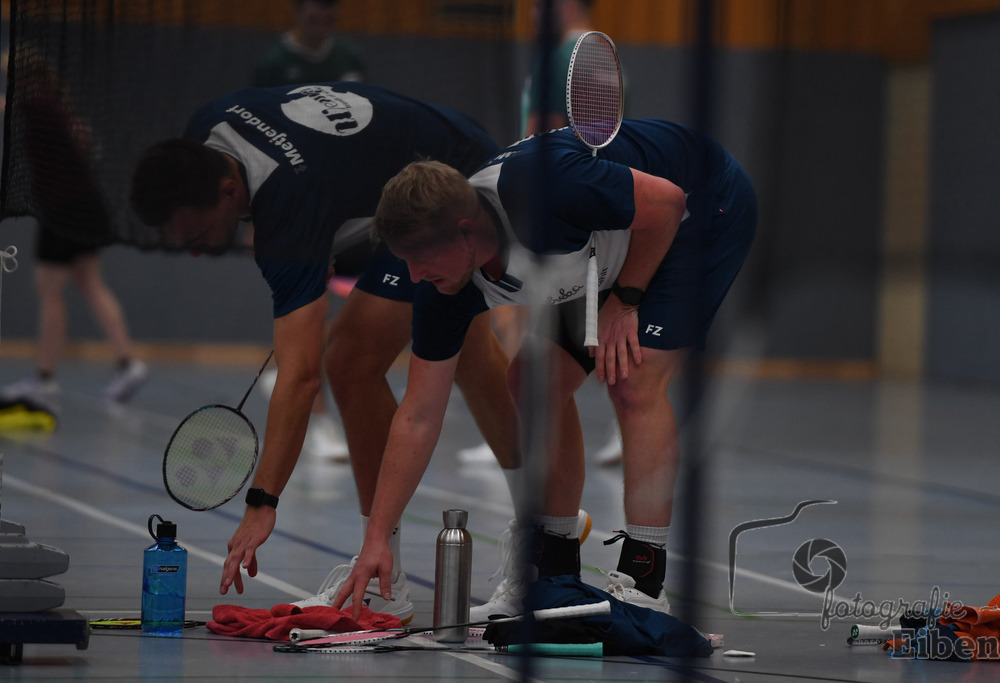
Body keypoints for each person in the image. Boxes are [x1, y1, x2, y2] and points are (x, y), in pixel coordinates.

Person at [129, 82, 524, 624]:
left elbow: (299, 377)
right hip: (414, 161)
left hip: (450, 182)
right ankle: (543, 527)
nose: (195, 248)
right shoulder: (208, 130)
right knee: (474, 361)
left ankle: (389, 575)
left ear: (227, 190)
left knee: (349, 364)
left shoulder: (287, 203)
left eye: (198, 232)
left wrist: (261, 502)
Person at [333, 119, 757, 621]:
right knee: (532, 384)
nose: (414, 276)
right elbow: (419, 414)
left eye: (421, 258)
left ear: (467, 231)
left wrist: (626, 300)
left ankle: (644, 583)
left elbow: (665, 203)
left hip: (696, 209)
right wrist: (377, 539)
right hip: (610, 242)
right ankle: (553, 573)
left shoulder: (539, 190)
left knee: (632, 381)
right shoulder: (442, 287)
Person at [459, 0, 624, 467]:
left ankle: (519, 435)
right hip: (584, 200)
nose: (531, 11)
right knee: (577, 326)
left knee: (528, 321)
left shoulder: (562, 57)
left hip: (548, 203)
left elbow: (545, 133)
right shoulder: (602, 55)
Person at [0, 59, 148, 422]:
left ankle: (45, 380)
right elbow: (85, 141)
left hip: (63, 209)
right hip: (83, 205)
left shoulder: (38, 104)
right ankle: (127, 362)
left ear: (29, 76)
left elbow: (8, 105)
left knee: (49, 290)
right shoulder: (55, 106)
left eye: (13, 75)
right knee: (90, 283)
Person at [251, 0, 366, 462]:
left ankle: (283, 373)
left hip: (347, 207)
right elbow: (257, 140)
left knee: (351, 310)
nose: (319, 22)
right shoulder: (273, 66)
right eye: (311, 13)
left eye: (327, 13)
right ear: (297, 14)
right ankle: (320, 424)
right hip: (293, 206)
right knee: (309, 309)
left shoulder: (350, 61)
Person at [253, 0, 365, 88]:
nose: (321, 30)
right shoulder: (273, 64)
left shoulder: (349, 57)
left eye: (328, 21)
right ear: (297, 12)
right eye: (314, 21)